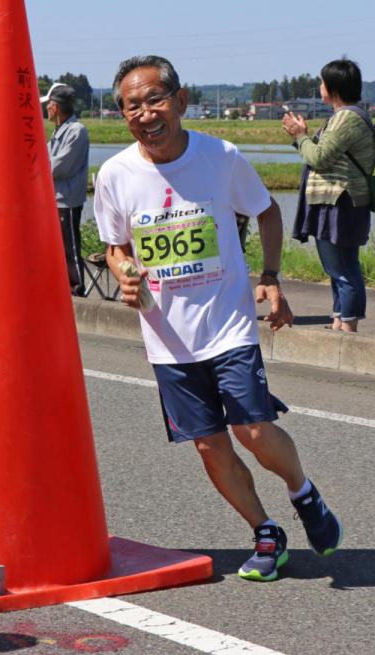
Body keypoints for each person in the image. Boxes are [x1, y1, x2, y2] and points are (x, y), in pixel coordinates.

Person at [94, 55, 341, 582]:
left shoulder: (220, 157)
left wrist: (272, 276)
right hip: (166, 336)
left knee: (252, 429)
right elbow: (115, 246)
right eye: (132, 106)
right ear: (122, 115)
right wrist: (124, 274)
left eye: (155, 99)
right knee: (209, 444)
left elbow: (267, 211)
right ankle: (265, 532)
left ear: (181, 101)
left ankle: (302, 491)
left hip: (227, 323)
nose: (146, 113)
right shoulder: (115, 174)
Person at [282, 59, 375, 332]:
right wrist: (303, 136)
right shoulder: (345, 116)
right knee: (338, 267)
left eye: (322, 83)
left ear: (333, 88)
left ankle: (348, 325)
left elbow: (319, 158)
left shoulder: (346, 118)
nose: (320, 87)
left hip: (340, 201)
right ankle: (339, 320)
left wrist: (300, 137)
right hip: (337, 200)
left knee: (343, 267)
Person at [42, 83, 90, 295]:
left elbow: (58, 167)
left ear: (56, 107)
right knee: (56, 247)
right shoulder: (60, 130)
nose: (46, 110)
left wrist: (36, 167)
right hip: (55, 198)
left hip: (67, 199)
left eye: (48, 105)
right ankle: (62, 286)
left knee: (70, 247)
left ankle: (77, 288)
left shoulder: (76, 131)